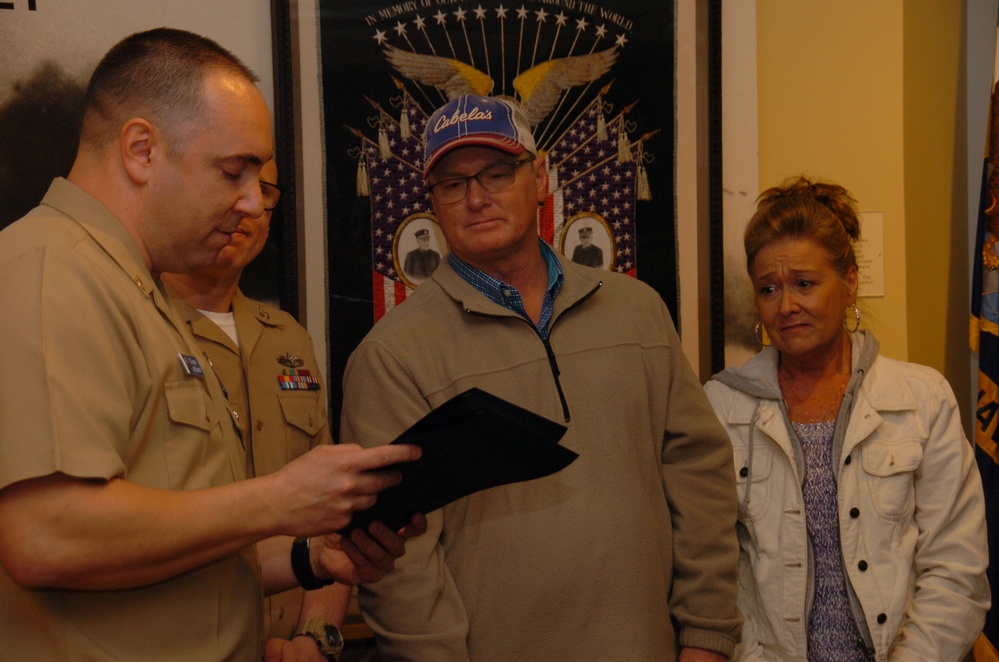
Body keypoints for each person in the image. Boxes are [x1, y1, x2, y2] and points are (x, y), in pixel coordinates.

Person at [0, 28, 424, 661]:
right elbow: (46, 535)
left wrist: (312, 555)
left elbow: (168, 544)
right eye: (234, 171)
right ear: (141, 150)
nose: (254, 202)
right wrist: (277, 500)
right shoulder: (51, 272)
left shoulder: (139, 291)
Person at [340, 93, 742, 660]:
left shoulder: (638, 311)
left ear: (540, 177)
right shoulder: (392, 356)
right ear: (432, 204)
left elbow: (699, 476)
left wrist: (707, 635)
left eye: (497, 173)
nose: (476, 197)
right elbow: (395, 562)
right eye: (452, 184)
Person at [703, 176, 990, 660]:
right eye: (768, 288)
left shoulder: (921, 400)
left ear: (850, 281)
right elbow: (714, 571)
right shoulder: (720, 408)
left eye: (805, 284)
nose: (787, 305)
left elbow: (955, 570)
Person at [161, 158, 354, 661]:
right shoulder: (140, 326)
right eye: (229, 179)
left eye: (264, 189)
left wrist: (317, 640)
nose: (246, 204)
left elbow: (331, 518)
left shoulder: (286, 336)